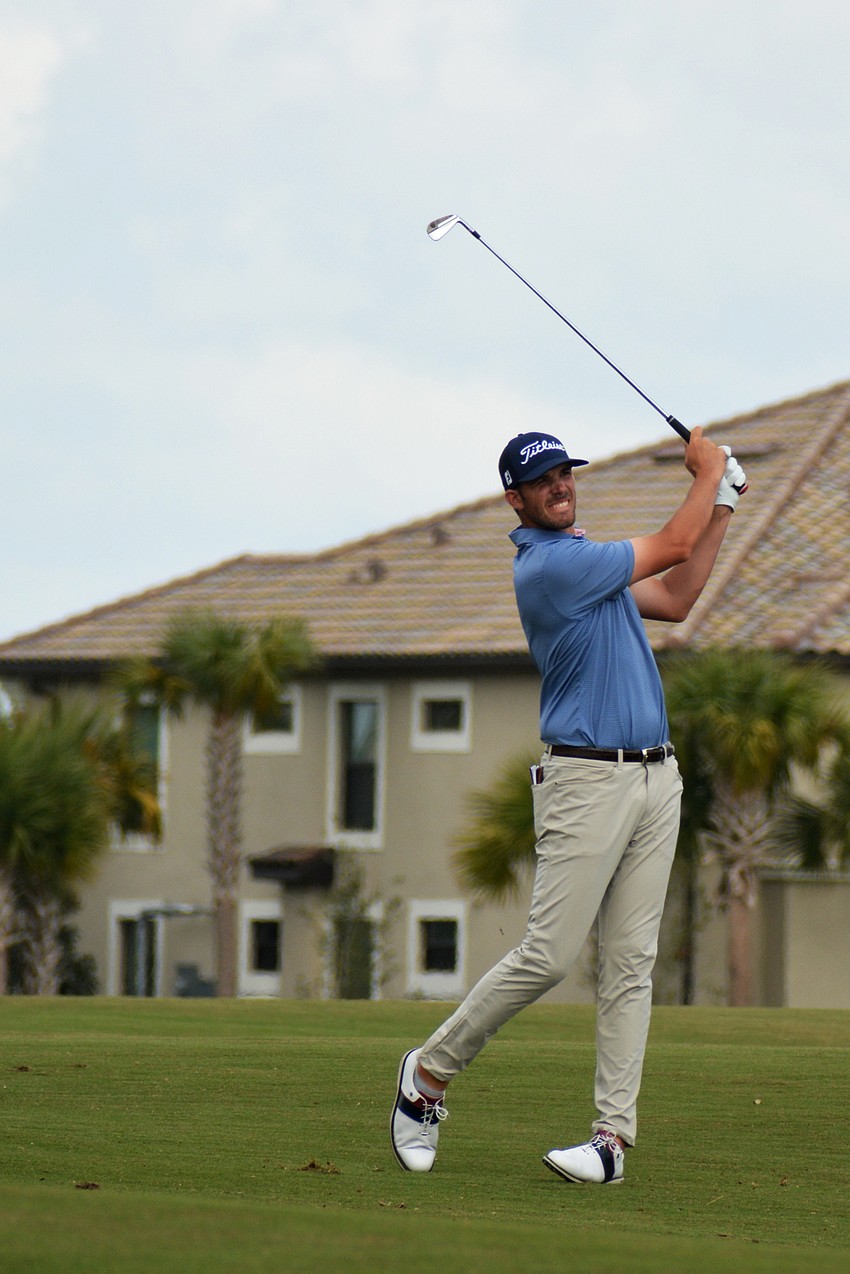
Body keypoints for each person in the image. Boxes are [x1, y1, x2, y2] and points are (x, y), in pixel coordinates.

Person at [390, 425, 746, 1184]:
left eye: (565, 472)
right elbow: (674, 546)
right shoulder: (553, 566)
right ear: (514, 499)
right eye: (542, 478)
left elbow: (678, 598)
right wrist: (708, 473)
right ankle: (427, 1076)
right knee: (549, 956)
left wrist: (724, 505)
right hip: (586, 781)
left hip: (657, 778)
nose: (560, 483)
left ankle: (611, 1141)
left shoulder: (588, 561)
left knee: (631, 966)